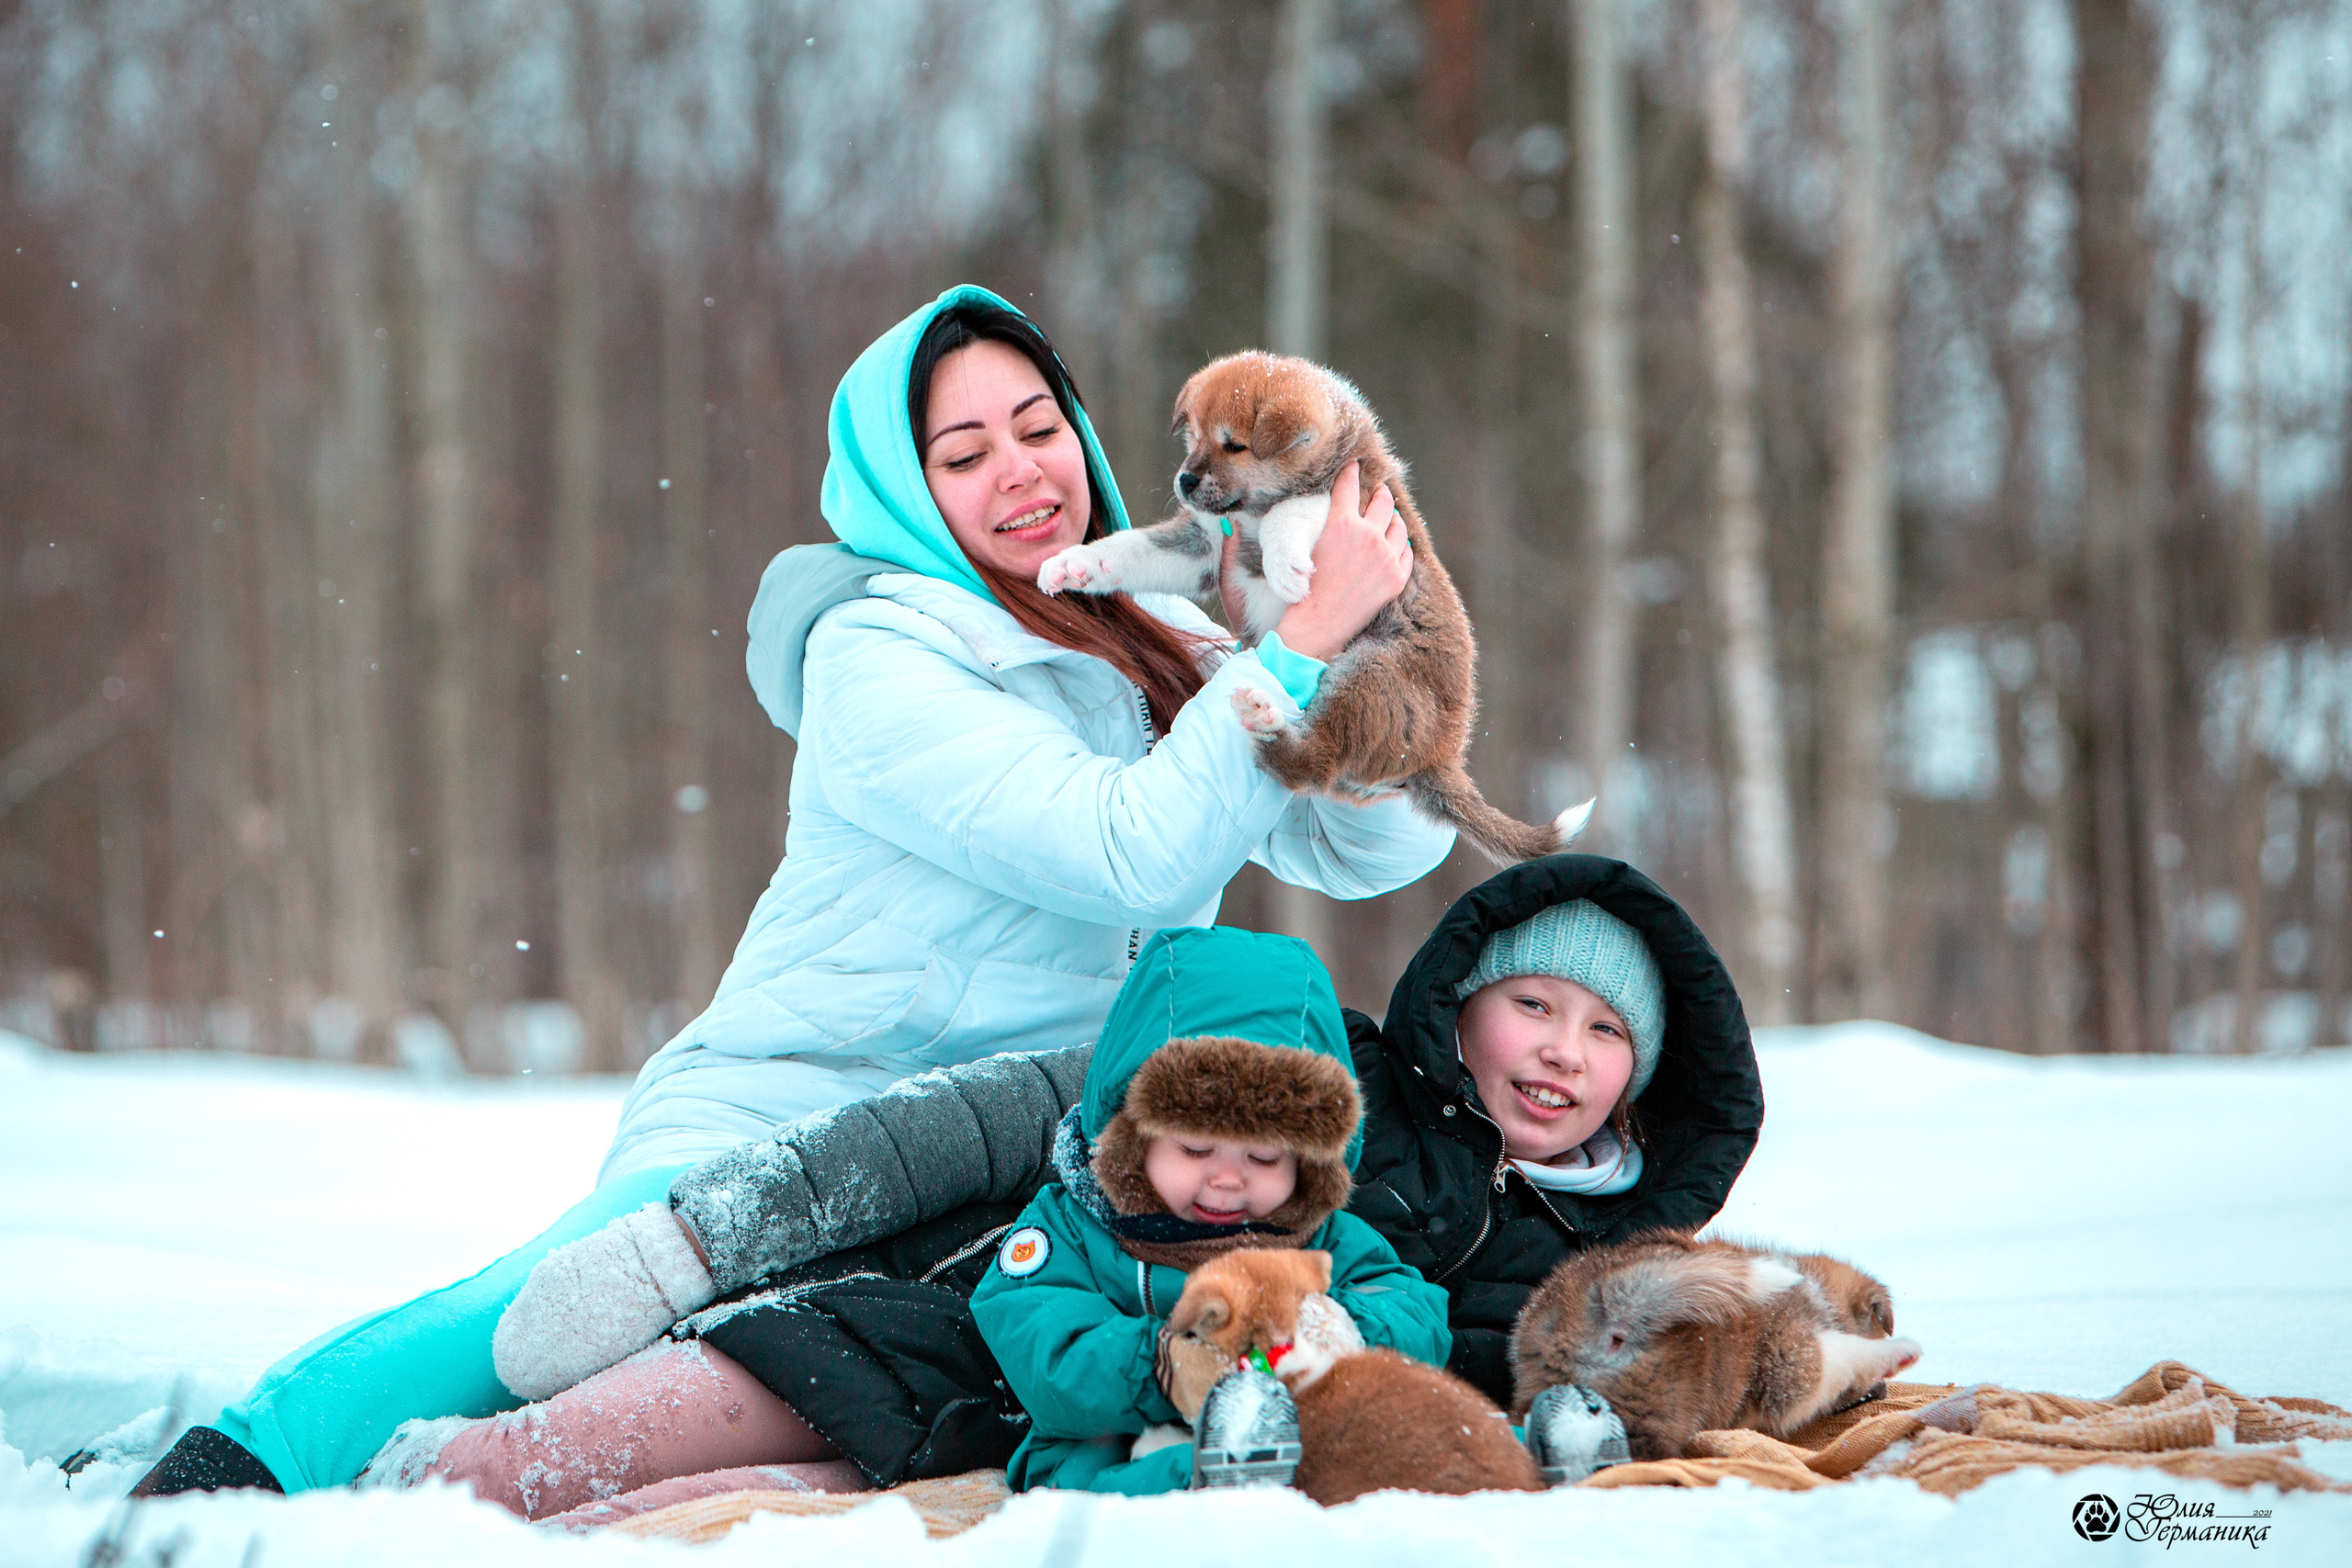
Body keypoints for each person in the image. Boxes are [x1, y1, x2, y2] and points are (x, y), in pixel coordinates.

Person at [133, 284, 1454, 1499]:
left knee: (895, 1404)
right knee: (543, 1313)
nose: (1018, 470)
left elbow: (1364, 852)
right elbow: (1132, 852)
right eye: (963, 454)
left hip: (1018, 1148)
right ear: (905, 489)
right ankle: (238, 1464)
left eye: (1038, 428)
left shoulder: (1168, 637)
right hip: (795, 1104)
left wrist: (1360, 653)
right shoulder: (880, 657)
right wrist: (1295, 644)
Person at [455, 852, 1756, 1511]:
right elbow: (1000, 1152)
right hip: (925, 1319)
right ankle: (396, 1491)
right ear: (1461, 1003)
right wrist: (694, 1239)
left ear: (1641, 1076)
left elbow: (1432, 1337)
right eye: (1533, 1004)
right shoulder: (1322, 1062)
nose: (1561, 1050)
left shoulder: (1602, 1261)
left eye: (1605, 1030)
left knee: (686, 1520)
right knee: (544, 1459)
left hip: (1067, 1448)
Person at [376, 928, 1448, 1515]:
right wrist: (1170, 1366)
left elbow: (1413, 1309)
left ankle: (1236, 1474)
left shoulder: (1321, 1247)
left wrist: (1347, 1336)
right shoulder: (1070, 1228)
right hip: (1070, 1448)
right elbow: (1037, 1344)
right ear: (1130, 1132)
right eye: (1196, 1147)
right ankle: (431, 1494)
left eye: (1264, 1158)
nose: (1226, 1184)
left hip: (1222, 1465)